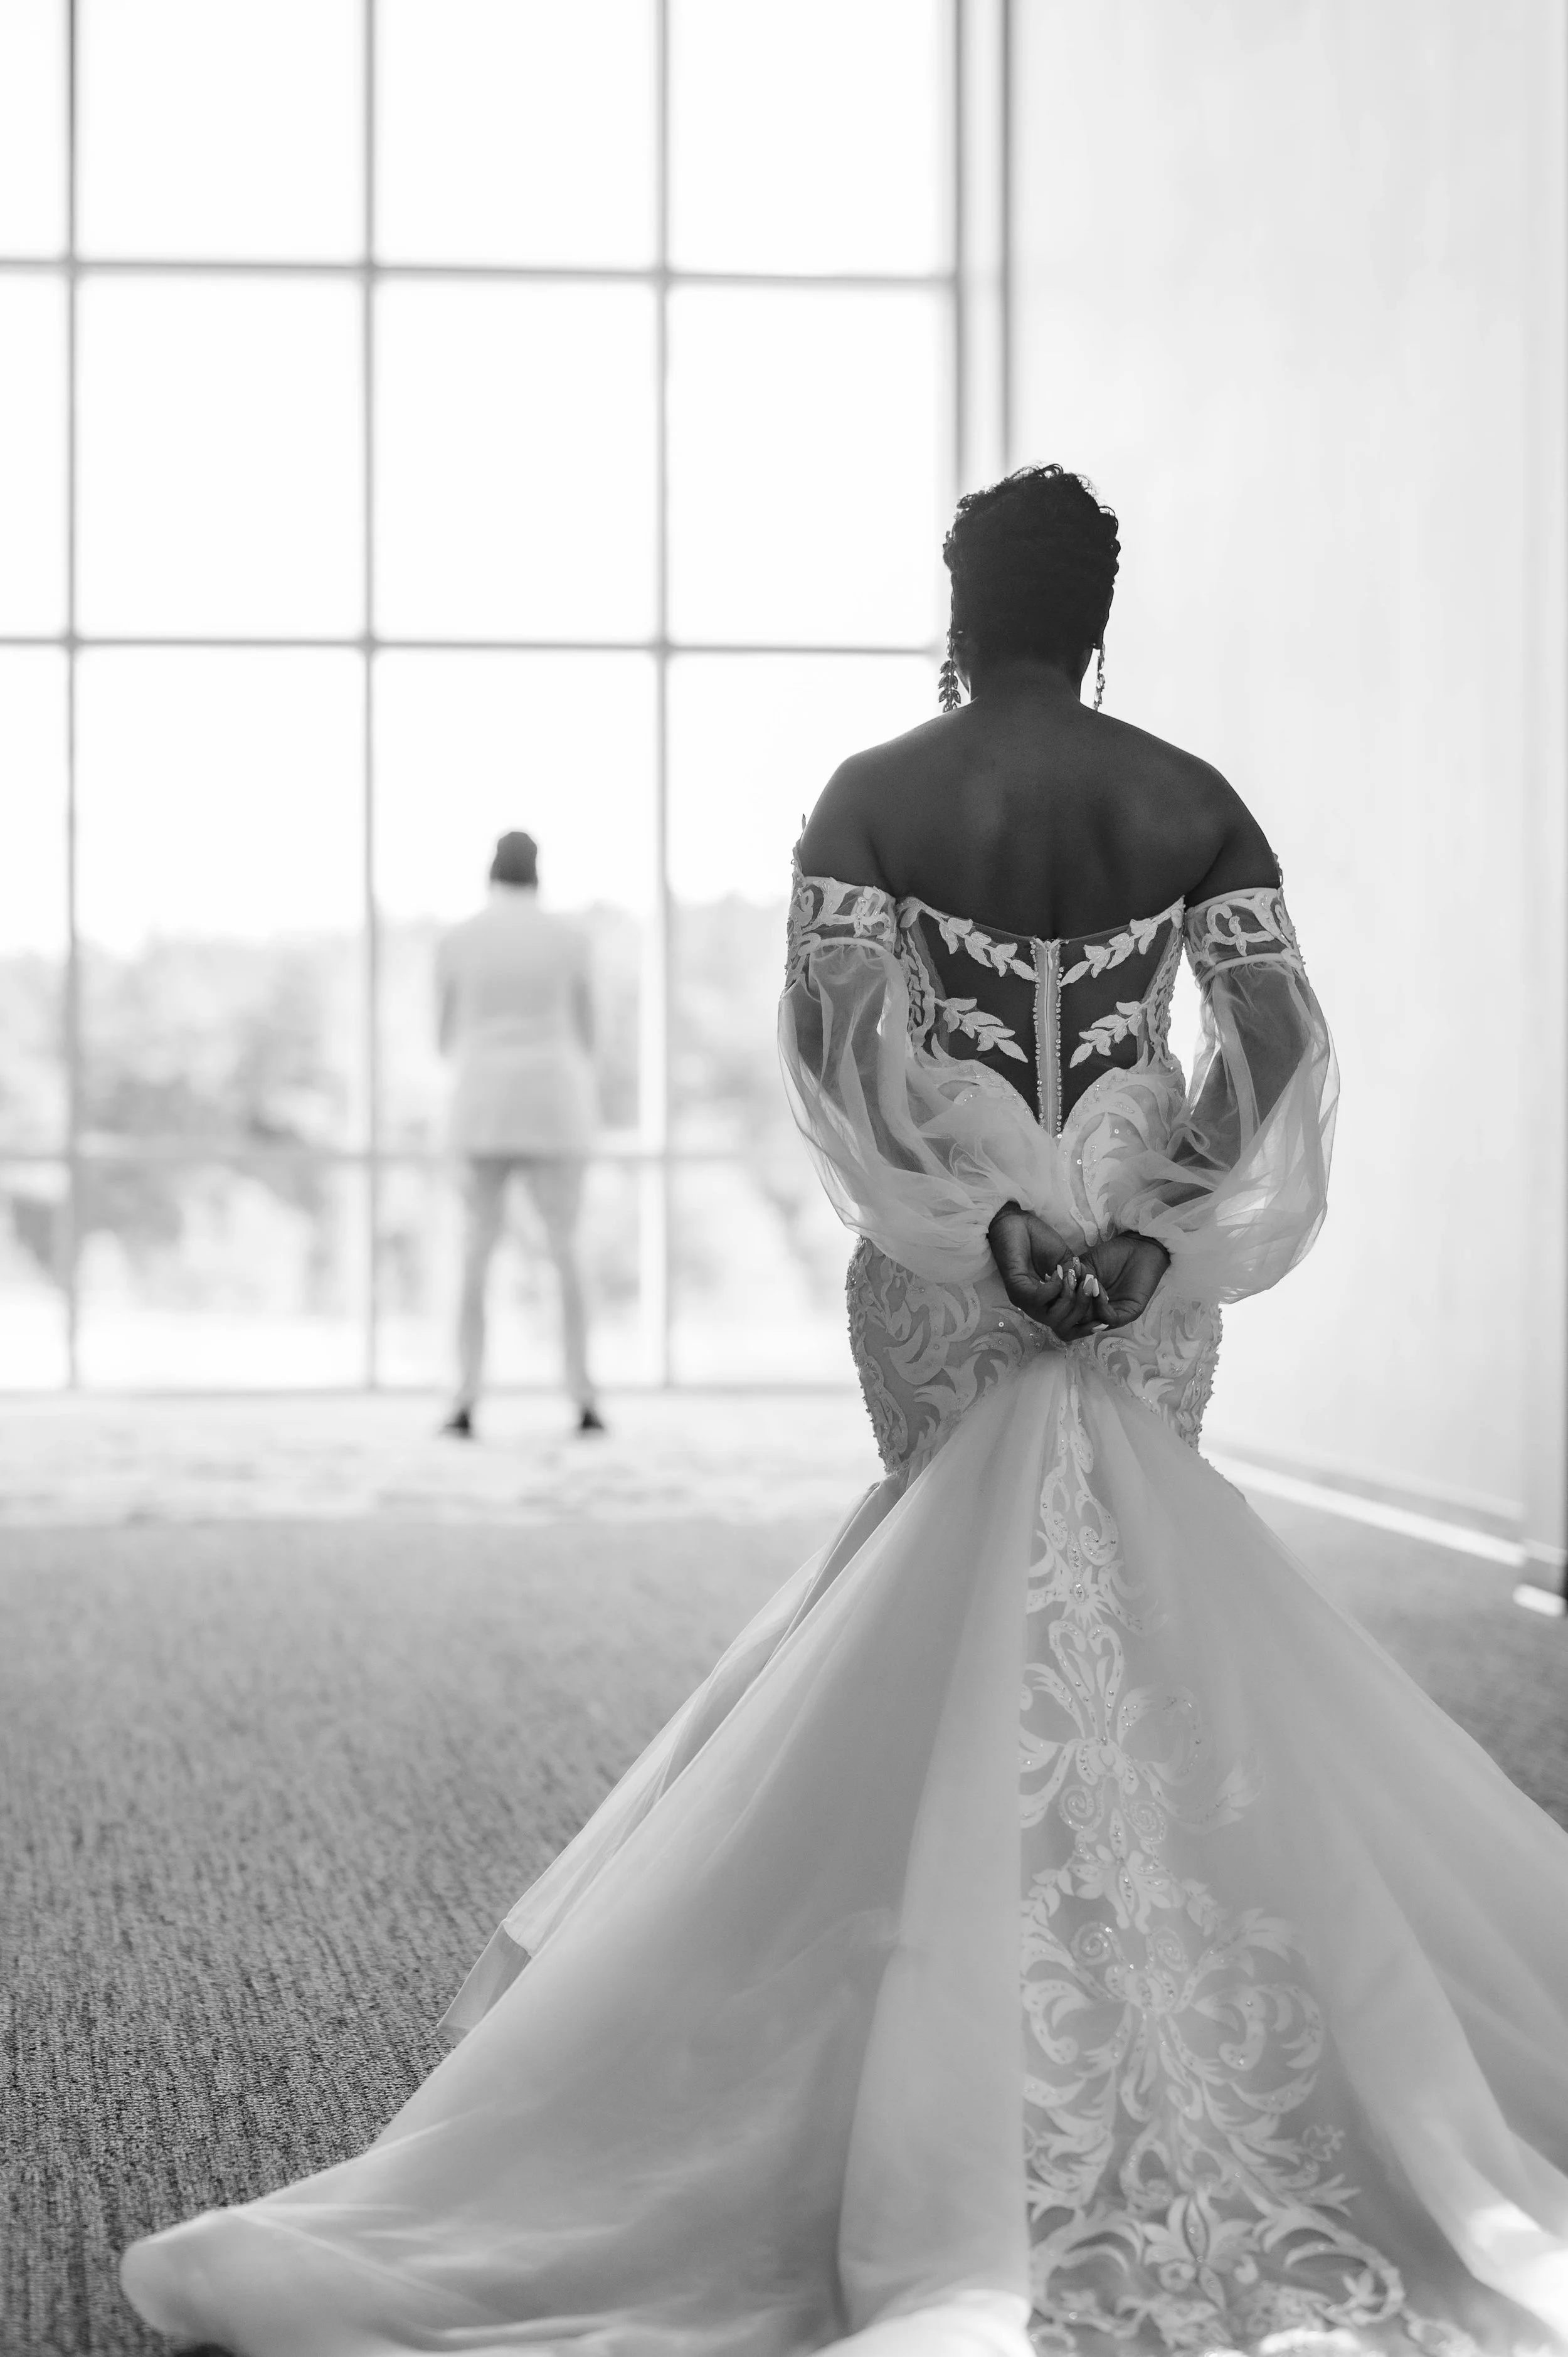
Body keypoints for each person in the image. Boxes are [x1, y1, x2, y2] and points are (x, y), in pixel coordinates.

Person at [122, 468, 1568, 2357]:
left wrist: (972, 1221)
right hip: (1133, 1270)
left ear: (956, 608)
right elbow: (1278, 1046)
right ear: (1097, 612)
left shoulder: (868, 795)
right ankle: (1161, 2021)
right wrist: (1148, 1226)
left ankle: (932, 2040)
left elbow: (829, 1060)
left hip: (950, 1262)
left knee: (943, 1590)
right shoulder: (1189, 799)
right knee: (1129, 1601)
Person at [435, 830, 604, 1439]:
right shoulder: (570, 940)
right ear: (538, 874)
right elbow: (587, 1034)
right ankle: (584, 1396)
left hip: (480, 1105)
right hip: (554, 1105)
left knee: (474, 1256)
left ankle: (464, 1397)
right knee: (565, 1254)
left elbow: (443, 1037)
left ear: (489, 873)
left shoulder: (456, 940)